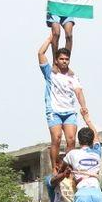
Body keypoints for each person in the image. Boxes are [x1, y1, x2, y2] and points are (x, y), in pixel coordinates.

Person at [38, 36, 92, 172]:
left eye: (67, 59)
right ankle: (54, 168)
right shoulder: (50, 73)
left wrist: (83, 106)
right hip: (54, 110)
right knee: (56, 139)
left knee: (71, 139)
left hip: (69, 111)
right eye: (61, 59)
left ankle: (67, 167)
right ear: (56, 60)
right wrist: (51, 38)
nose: (64, 61)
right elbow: (40, 53)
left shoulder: (73, 76)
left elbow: (79, 92)